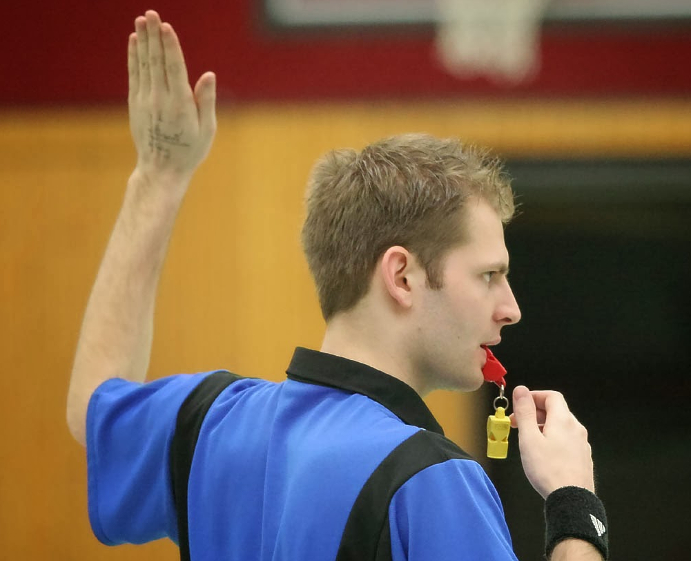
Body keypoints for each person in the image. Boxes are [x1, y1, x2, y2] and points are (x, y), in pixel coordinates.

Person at [67, 10, 608, 561]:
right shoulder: (428, 481)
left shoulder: (210, 422)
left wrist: (157, 178)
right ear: (401, 276)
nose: (511, 308)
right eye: (489, 275)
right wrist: (573, 502)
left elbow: (92, 407)